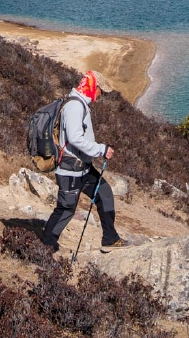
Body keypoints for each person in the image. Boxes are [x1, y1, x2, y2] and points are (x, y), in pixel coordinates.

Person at [42, 70, 124, 254]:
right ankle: (45, 248)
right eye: (100, 90)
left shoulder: (80, 103)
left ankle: (110, 239)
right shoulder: (75, 106)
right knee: (66, 209)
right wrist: (101, 150)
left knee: (104, 193)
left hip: (83, 168)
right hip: (70, 171)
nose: (100, 95)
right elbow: (75, 138)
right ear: (93, 87)